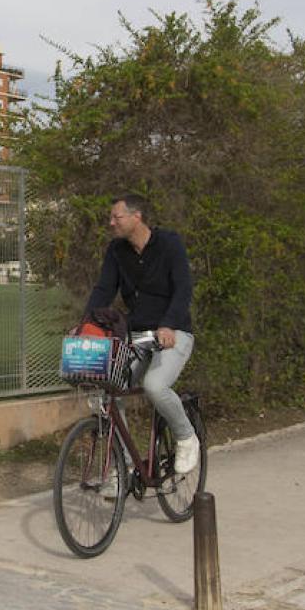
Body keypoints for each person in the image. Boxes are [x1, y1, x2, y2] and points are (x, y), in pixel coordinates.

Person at [83, 193, 199, 475]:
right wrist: (85, 325)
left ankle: (186, 437)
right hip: (137, 336)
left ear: (137, 217)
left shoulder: (169, 244)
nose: (111, 222)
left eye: (116, 217)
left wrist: (169, 324)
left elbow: (183, 289)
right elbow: (104, 290)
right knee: (107, 390)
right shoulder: (116, 250)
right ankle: (122, 466)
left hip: (174, 332)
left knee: (155, 385)